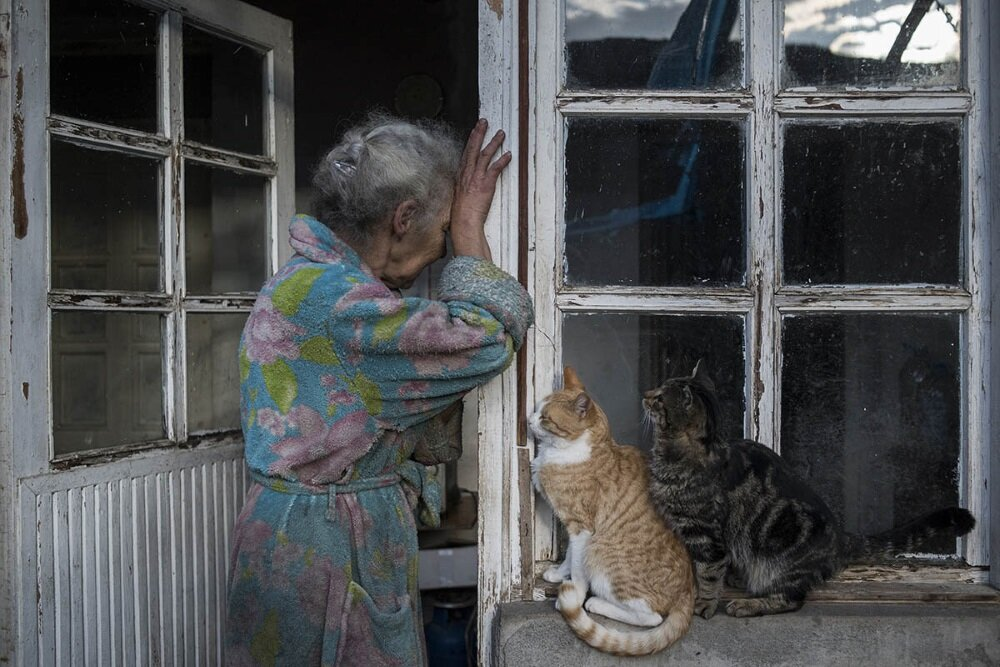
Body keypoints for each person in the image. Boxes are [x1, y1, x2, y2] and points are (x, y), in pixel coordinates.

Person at [225, 113, 534, 666]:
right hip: (326, 550)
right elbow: (487, 335)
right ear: (404, 217)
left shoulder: (304, 283)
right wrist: (470, 229)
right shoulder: (345, 307)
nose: (441, 252)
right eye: (440, 233)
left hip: (295, 539)